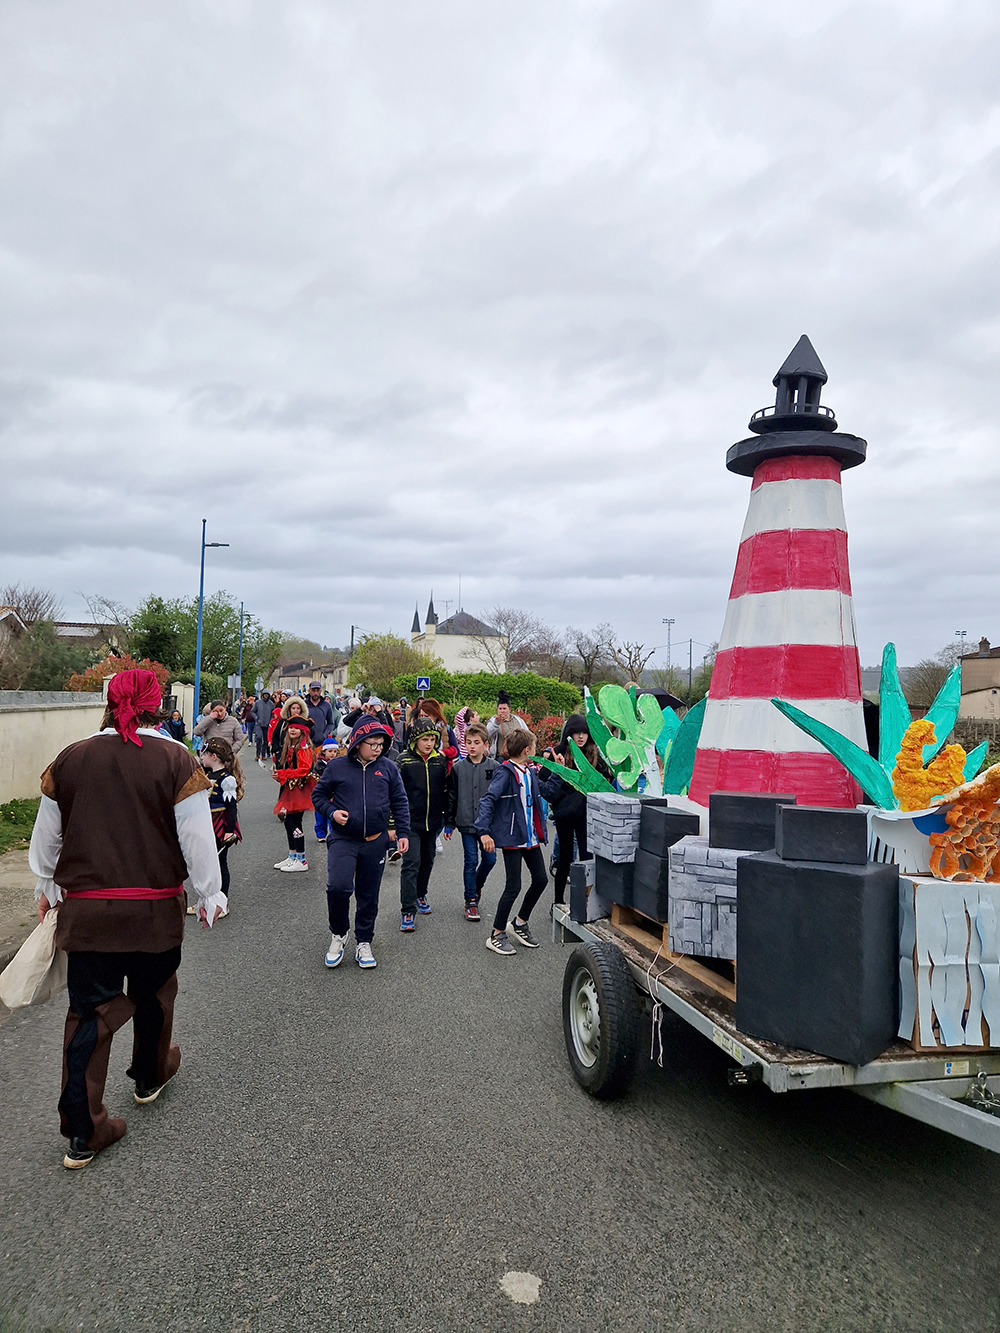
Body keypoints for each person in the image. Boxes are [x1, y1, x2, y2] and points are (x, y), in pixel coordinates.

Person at [27, 668, 227, 1170]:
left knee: (87, 1010)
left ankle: (83, 1131)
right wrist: (210, 893)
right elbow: (197, 837)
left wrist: (47, 887)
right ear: (159, 705)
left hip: (89, 913)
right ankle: (149, 1074)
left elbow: (47, 836)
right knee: (155, 991)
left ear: (107, 702)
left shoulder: (70, 758)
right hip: (154, 911)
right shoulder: (176, 760)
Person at [311, 716, 410, 970]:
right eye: (372, 744)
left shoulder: (388, 768)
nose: (378, 749)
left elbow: (400, 801)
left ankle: (364, 941)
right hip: (343, 839)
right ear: (357, 742)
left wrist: (403, 832)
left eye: (381, 744)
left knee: (368, 895)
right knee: (338, 887)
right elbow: (318, 795)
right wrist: (332, 812)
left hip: (375, 841)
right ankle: (339, 934)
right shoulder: (337, 766)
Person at [474, 729, 548, 956]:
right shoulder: (505, 772)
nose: (535, 750)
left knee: (541, 880)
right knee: (513, 885)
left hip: (530, 837)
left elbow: (549, 792)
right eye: (534, 746)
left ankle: (519, 923)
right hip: (513, 837)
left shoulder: (530, 771)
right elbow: (488, 799)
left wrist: (558, 770)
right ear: (527, 750)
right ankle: (496, 933)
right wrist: (483, 831)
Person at [537, 714, 611, 909]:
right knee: (566, 859)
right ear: (569, 734)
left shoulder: (594, 754)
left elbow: (606, 779)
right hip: (564, 813)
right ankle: (558, 901)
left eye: (584, 733)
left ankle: (587, 903)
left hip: (586, 814)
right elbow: (542, 778)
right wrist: (556, 794)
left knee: (587, 858)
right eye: (577, 733)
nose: (581, 737)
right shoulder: (559, 752)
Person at [396, 719, 449, 930]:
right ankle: (407, 910)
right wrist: (393, 823)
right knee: (411, 863)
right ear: (415, 740)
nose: (429, 743)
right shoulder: (403, 761)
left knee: (428, 860)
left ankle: (420, 894)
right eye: (424, 739)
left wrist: (448, 819)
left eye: (432, 739)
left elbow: (445, 790)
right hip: (410, 822)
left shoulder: (440, 761)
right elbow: (395, 793)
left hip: (433, 821)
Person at [443, 722, 498, 921]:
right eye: (468, 742)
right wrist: (449, 823)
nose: (472, 746)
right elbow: (451, 796)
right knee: (471, 860)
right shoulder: (458, 768)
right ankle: (471, 900)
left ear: (485, 744)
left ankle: (476, 884)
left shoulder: (495, 767)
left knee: (490, 860)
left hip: (488, 825)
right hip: (466, 821)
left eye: (476, 742)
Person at [199, 737, 242, 909]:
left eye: (204, 755)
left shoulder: (227, 779)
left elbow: (231, 807)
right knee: (205, 863)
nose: (201, 758)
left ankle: (222, 903)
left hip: (220, 825)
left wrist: (229, 830)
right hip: (206, 822)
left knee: (219, 862)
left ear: (214, 757)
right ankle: (205, 901)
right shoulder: (206, 774)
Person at [272, 716, 316, 872]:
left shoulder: (303, 748)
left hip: (301, 788)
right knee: (289, 822)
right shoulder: (291, 747)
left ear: (303, 731)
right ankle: (293, 855)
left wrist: (284, 774)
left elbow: (304, 769)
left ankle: (301, 859)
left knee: (295, 822)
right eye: (290, 727)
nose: (292, 730)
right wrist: (281, 775)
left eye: (296, 728)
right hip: (293, 787)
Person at [312, 735, 341, 841]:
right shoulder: (319, 765)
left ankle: (334, 833)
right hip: (322, 793)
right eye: (330, 751)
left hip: (334, 794)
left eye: (335, 751)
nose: (332, 754)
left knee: (332, 815)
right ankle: (320, 834)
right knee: (320, 815)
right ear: (324, 752)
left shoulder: (338, 764)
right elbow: (315, 778)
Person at [270, 694, 314, 761]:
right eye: (293, 708)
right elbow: (275, 735)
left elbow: (312, 733)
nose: (295, 710)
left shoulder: (304, 722)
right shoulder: (283, 722)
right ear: (289, 709)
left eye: (298, 708)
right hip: (284, 753)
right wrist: (276, 750)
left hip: (300, 754)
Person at [486, 691, 529, 759]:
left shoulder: (518, 719)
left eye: (504, 708)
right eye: (500, 709)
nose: (502, 711)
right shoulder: (493, 720)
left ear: (509, 709)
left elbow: (527, 733)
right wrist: (496, 723)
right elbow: (488, 734)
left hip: (517, 755)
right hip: (502, 755)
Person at [251, 692, 274, 764]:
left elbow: (273, 713)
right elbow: (252, 712)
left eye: (267, 695)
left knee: (266, 740)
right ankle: (257, 754)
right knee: (259, 737)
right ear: (263, 695)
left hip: (267, 724)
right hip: (259, 724)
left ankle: (263, 754)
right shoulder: (258, 703)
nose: (266, 696)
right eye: (265, 694)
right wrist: (256, 718)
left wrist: (271, 720)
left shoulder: (271, 704)